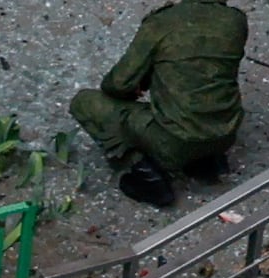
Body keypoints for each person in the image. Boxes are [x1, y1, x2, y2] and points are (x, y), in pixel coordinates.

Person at [71, 0, 250, 207]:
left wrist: (140, 83)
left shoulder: (162, 23)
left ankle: (145, 175)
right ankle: (205, 162)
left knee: (84, 103)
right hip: (225, 134)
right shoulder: (236, 21)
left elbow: (117, 84)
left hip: (173, 141)